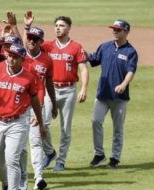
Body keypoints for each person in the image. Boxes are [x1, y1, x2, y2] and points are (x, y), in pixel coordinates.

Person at [25, 11, 89, 171]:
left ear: (69, 28)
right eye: (56, 26)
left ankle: (61, 160)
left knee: (65, 127)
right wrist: (28, 27)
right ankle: (50, 152)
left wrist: (84, 88)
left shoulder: (76, 47)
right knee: (42, 122)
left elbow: (83, 69)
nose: (58, 28)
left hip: (69, 90)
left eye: (61, 26)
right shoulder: (47, 46)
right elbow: (29, 43)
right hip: (50, 89)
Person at [0, 43, 47, 190]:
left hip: (18, 121)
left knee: (12, 159)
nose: (11, 58)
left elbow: (35, 100)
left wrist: (41, 123)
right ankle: (6, 184)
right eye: (9, 55)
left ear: (23, 59)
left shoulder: (29, 77)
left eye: (15, 56)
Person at [87, 19, 138, 169]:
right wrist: (81, 52)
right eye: (113, 29)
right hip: (102, 94)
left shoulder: (131, 51)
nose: (114, 31)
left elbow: (131, 71)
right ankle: (99, 154)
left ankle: (115, 157)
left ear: (126, 32)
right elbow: (94, 59)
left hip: (119, 98)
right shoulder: (105, 47)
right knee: (96, 121)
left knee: (118, 128)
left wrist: (123, 84)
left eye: (118, 29)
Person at [21, 26, 57, 190]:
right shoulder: (20, 56)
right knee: (20, 146)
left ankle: (38, 177)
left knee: (35, 142)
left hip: (37, 106)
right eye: (29, 38)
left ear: (41, 42)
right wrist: (18, 27)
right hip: (18, 108)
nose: (32, 41)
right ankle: (21, 178)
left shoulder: (47, 59)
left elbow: (48, 83)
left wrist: (54, 105)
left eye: (35, 39)